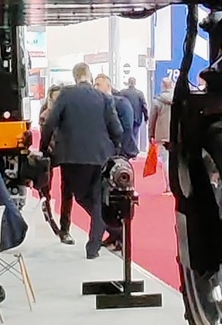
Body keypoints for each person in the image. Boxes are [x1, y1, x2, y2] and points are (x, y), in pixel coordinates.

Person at [43, 63, 126, 258]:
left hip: (71, 156)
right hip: (100, 156)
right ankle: (95, 245)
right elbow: (118, 129)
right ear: (89, 76)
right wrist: (115, 149)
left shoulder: (66, 95)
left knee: (81, 196)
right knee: (98, 199)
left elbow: (50, 123)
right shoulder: (104, 98)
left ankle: (111, 232)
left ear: (75, 76)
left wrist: (44, 148)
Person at [111, 72, 149, 157]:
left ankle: (127, 151)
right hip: (137, 118)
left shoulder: (123, 92)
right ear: (135, 83)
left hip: (126, 117)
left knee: (128, 135)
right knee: (135, 134)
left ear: (128, 83)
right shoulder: (139, 93)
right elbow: (144, 106)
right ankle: (134, 152)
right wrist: (146, 117)